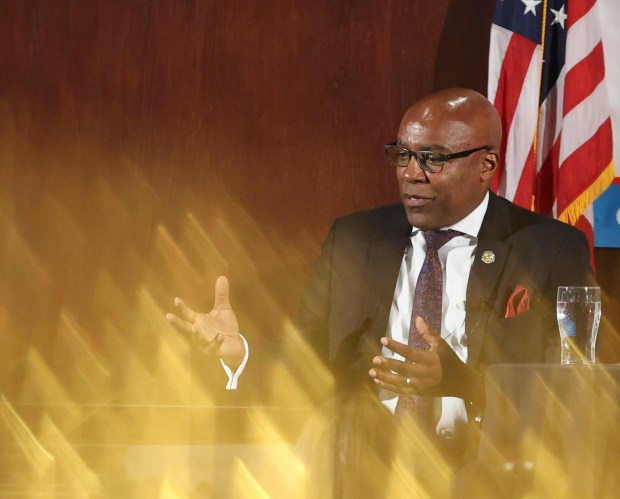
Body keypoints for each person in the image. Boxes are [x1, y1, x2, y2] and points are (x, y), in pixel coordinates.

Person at [166, 88, 594, 468]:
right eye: (402, 154)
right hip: (366, 468)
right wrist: (237, 350)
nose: (410, 173)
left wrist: (464, 381)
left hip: (487, 471)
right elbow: (306, 355)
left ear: (486, 165)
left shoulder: (549, 249)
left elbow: (576, 389)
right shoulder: (354, 238)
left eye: (433, 159)